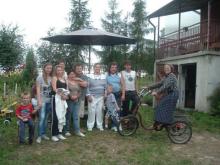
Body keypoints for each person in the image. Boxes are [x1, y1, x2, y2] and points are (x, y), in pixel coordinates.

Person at [147, 64, 179, 129]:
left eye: (168, 68)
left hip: (173, 94)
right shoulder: (166, 76)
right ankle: (159, 123)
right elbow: (159, 84)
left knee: (162, 107)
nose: (166, 69)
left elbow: (165, 86)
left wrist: (156, 92)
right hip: (170, 94)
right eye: (165, 68)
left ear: (171, 69)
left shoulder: (172, 76)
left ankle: (161, 123)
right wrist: (148, 87)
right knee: (160, 107)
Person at [35, 63, 53, 144]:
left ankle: (43, 134)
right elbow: (38, 90)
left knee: (46, 118)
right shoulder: (40, 77)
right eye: (47, 68)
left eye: (50, 68)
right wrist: (39, 101)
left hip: (49, 101)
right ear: (44, 68)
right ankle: (39, 135)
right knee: (41, 118)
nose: (49, 70)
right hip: (42, 101)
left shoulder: (51, 78)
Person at [86, 63, 107, 131]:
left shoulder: (104, 76)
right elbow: (87, 87)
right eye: (96, 67)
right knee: (91, 111)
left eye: (99, 67)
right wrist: (88, 95)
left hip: (101, 96)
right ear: (94, 68)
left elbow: (105, 87)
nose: (97, 69)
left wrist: (105, 94)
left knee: (99, 111)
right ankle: (90, 125)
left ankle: (99, 125)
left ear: (100, 69)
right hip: (92, 96)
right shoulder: (89, 76)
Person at [51, 65, 69, 142]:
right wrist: (61, 95)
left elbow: (67, 89)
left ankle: (59, 133)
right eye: (58, 70)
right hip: (56, 99)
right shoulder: (55, 78)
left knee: (62, 116)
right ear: (55, 71)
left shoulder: (64, 79)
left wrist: (66, 96)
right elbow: (54, 89)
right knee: (56, 117)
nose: (59, 71)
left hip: (63, 99)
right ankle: (54, 134)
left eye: (61, 70)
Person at [65, 70, 85, 137]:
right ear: (68, 75)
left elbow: (80, 91)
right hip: (69, 101)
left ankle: (77, 131)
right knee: (68, 116)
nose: (72, 75)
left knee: (76, 116)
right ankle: (67, 130)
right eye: (71, 74)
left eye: (73, 74)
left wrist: (77, 96)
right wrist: (71, 96)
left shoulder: (77, 82)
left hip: (76, 101)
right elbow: (66, 90)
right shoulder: (66, 82)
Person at [106, 62, 125, 128]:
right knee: (110, 109)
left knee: (117, 109)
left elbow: (123, 85)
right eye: (112, 67)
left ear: (117, 68)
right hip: (110, 95)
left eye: (115, 67)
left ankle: (116, 125)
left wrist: (123, 95)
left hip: (118, 94)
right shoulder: (106, 75)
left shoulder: (119, 74)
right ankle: (111, 124)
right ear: (110, 68)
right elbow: (105, 85)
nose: (114, 69)